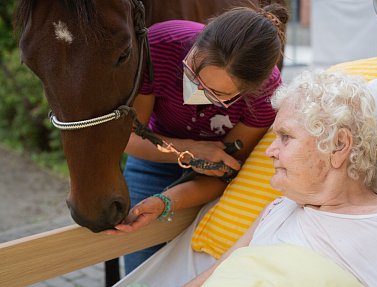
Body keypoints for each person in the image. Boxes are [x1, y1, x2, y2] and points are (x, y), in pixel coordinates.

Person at [184, 70, 377, 286]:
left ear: (338, 145)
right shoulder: (277, 209)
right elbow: (214, 277)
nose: (270, 151)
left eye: (286, 137)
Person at [104, 4, 289, 274]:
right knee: (140, 265)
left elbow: (222, 172)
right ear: (197, 43)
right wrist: (189, 149)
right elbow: (129, 138)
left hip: (210, 178)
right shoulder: (160, 44)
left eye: (216, 93)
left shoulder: (265, 94)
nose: (195, 91)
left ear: (248, 91)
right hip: (151, 159)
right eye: (191, 72)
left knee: (196, 264)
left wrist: (166, 202)